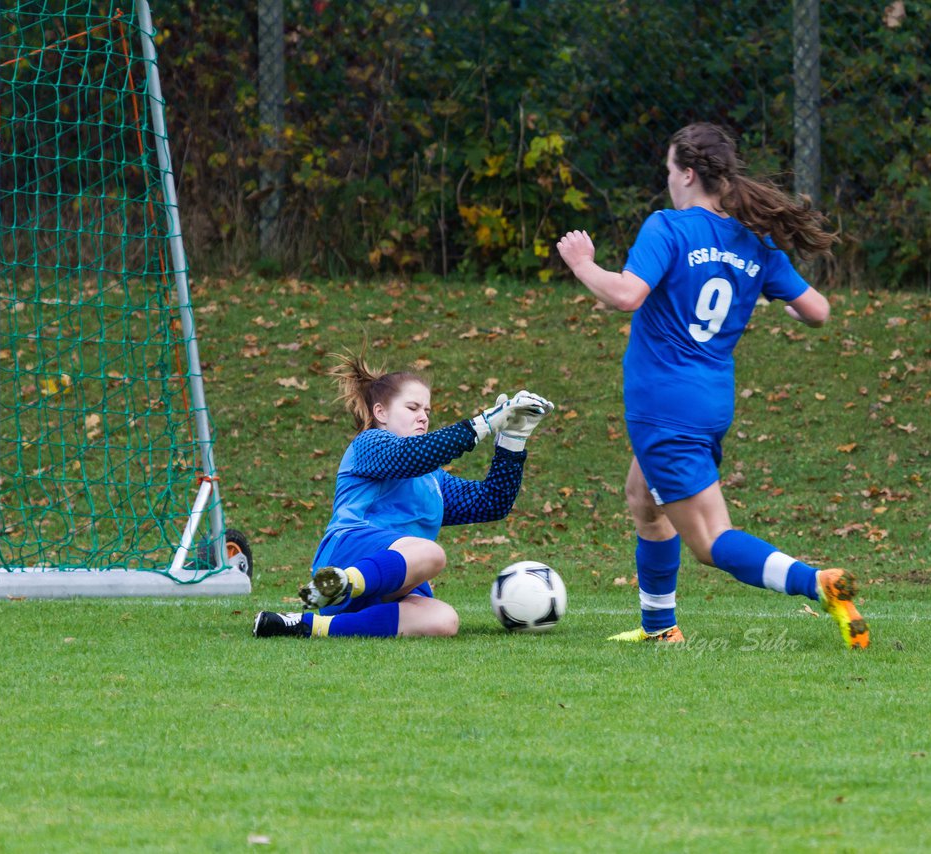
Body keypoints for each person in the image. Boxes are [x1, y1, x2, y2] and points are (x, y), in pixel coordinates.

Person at [556, 121, 869, 650]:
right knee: (643, 500)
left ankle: (816, 583)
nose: (668, 182)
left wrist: (583, 264)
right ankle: (659, 628)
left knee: (709, 540)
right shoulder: (756, 241)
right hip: (709, 404)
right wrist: (776, 297)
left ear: (688, 173)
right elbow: (817, 310)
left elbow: (628, 295)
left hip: (663, 407)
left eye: (669, 171)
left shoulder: (667, 228)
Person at [253, 352, 554, 639]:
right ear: (380, 413)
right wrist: (485, 422)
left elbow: (493, 502)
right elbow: (410, 457)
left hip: (390, 582)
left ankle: (307, 625)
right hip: (349, 554)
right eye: (412, 408)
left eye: (427, 411)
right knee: (431, 553)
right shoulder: (369, 444)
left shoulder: (432, 480)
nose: (423, 417)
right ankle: (341, 583)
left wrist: (513, 440)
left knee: (444, 620)